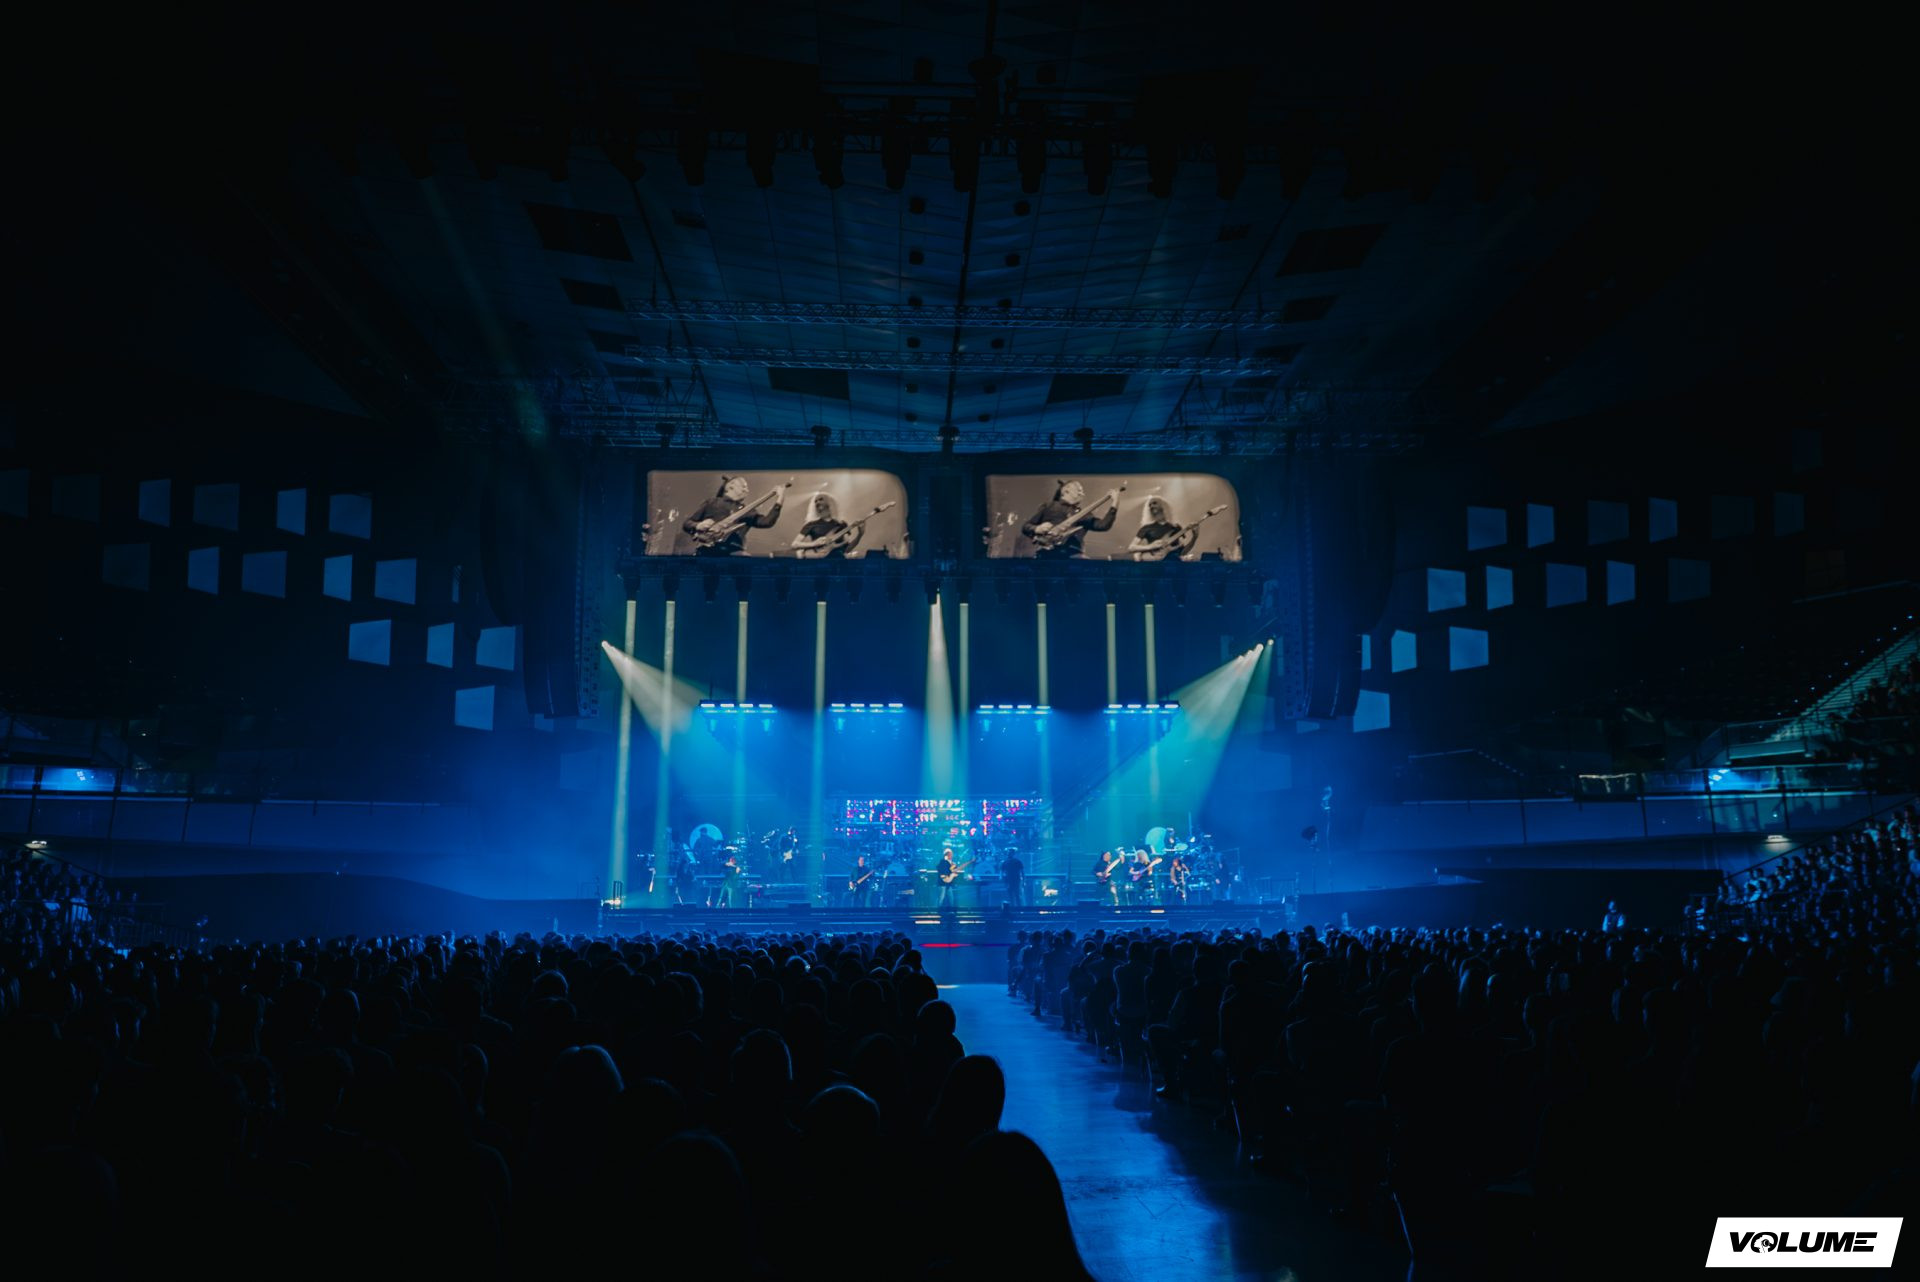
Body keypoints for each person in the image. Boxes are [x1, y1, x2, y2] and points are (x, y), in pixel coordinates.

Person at [683, 475, 786, 557]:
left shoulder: (748, 510)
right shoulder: (712, 503)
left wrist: (780, 499)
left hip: (735, 553)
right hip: (708, 551)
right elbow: (687, 523)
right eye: (743, 486)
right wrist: (698, 525)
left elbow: (767, 522)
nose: (747, 490)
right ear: (731, 486)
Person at [1021, 479, 1118, 559]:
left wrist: (1115, 503)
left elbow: (1103, 525)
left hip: (1074, 555)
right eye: (1079, 490)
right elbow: (1026, 527)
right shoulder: (1049, 506)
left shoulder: (1084, 514)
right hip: (1047, 554)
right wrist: (1037, 528)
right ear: (1066, 491)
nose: (1082, 493)